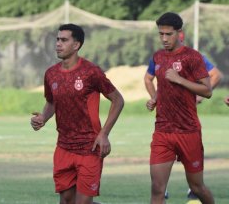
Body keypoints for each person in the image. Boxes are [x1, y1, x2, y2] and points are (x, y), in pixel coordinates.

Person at [30, 23, 124, 204]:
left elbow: (118, 100)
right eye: (57, 39)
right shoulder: (51, 74)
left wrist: (104, 134)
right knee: (66, 200)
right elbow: (51, 102)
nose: (58, 43)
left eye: (64, 40)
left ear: (76, 45)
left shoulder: (91, 72)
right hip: (64, 147)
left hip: (89, 147)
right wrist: (43, 118)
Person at [144, 31, 223, 202]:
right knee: (157, 188)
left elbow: (209, 86)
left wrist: (181, 81)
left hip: (188, 131)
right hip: (163, 131)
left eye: (169, 34)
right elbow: (152, 81)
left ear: (180, 35)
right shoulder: (158, 57)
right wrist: (155, 99)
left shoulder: (193, 57)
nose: (165, 39)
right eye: (161, 34)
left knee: (197, 187)